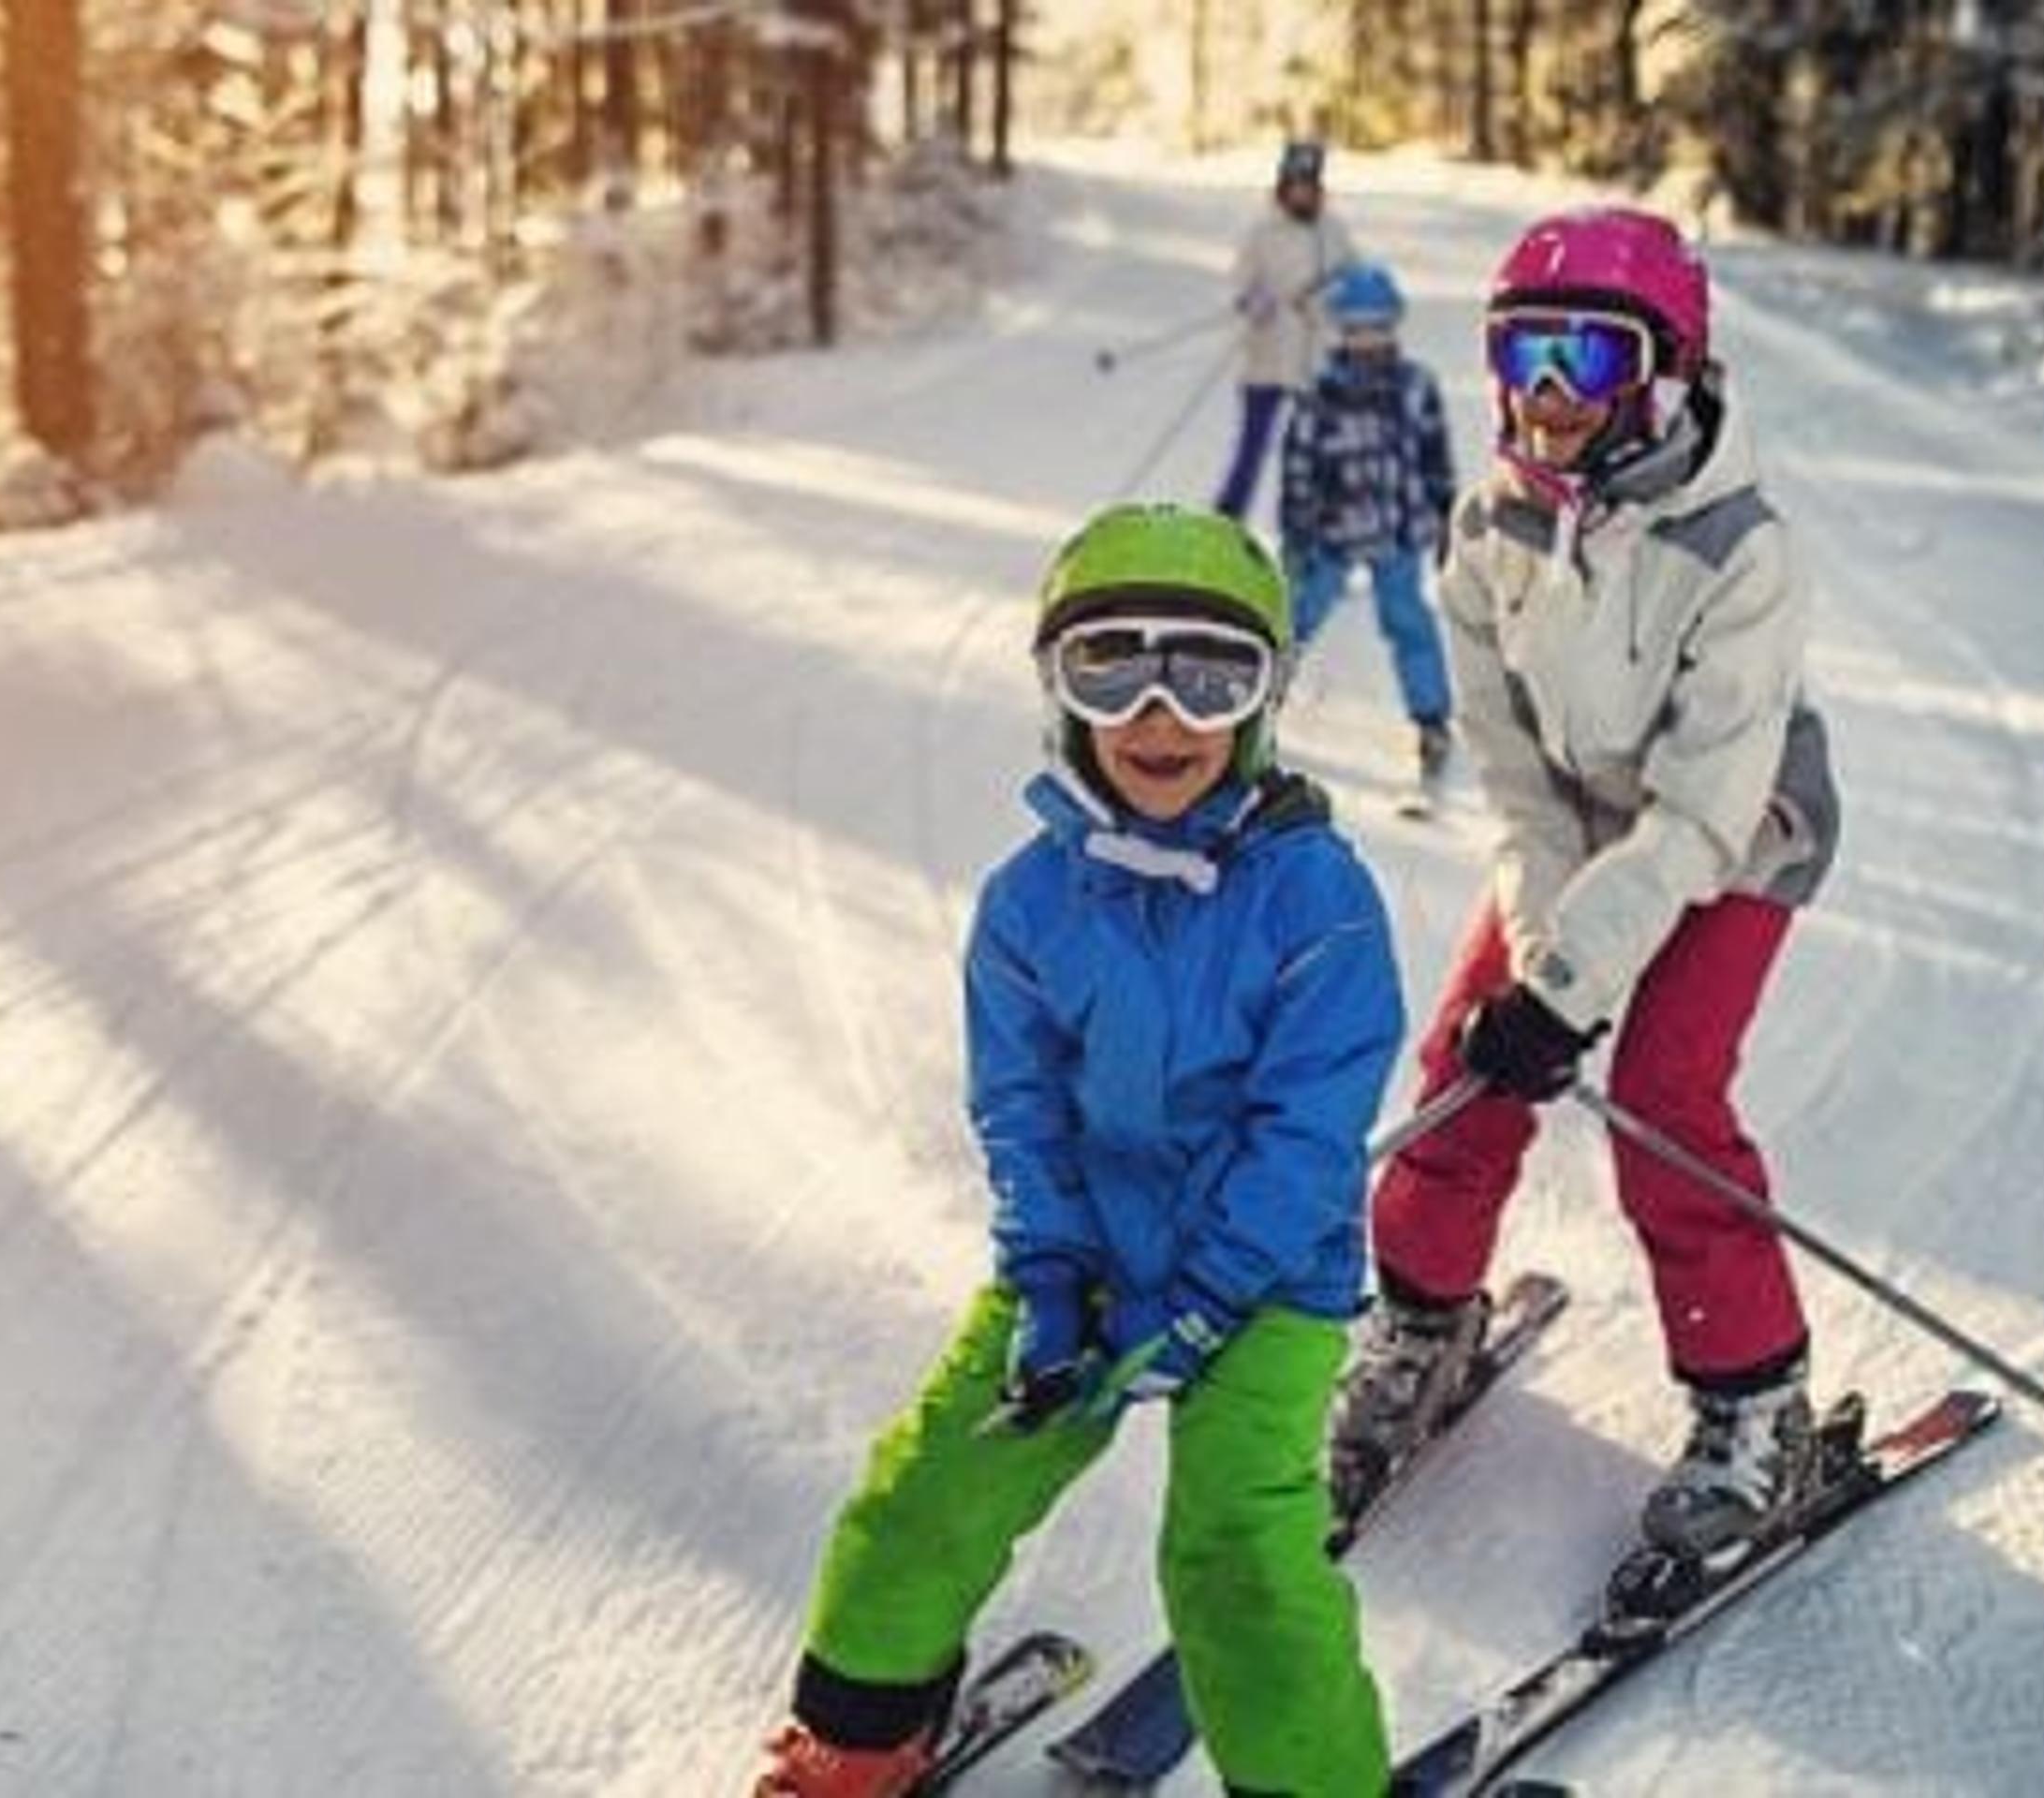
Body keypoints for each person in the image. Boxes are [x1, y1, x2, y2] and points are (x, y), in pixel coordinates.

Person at [752, 504, 1403, 1798]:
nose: (1162, 717)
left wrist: (1216, 1296)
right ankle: (860, 1737)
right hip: (1090, 1259)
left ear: (1265, 699)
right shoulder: (1027, 904)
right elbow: (1022, 1112)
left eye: (1210, 676)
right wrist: (1049, 1275)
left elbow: (1312, 1129)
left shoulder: (1316, 895)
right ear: (1060, 692)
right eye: (1113, 668)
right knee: (931, 1488)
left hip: (1266, 1282)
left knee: (1234, 1552)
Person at [1325, 207, 1844, 1569]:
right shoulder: (1486, 526)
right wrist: (1547, 975)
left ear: (1667, 370)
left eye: (1589, 360)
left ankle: (1755, 1403)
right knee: (1466, 1063)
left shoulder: (1741, 549)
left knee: (1665, 1097)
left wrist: (1573, 990)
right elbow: (1513, 782)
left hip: (1729, 835)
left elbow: (1693, 819)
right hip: (1573, 823)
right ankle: (1423, 1326)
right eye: (1524, 354)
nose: (1548, 397)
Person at [1276, 259, 1461, 796]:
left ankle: (1431, 719)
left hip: (1398, 529)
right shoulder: (1319, 394)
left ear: (1394, 326)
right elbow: (1298, 462)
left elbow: (1434, 453)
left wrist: (1446, 513)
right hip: (1331, 533)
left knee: (1408, 621)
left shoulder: (1415, 386)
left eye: (1378, 328)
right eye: (1356, 330)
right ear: (1340, 330)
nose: (1368, 341)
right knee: (1296, 615)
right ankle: (1252, 707)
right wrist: (1297, 530)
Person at [1213, 139, 1358, 523]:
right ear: (1283, 185)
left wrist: (1327, 300)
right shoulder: (1261, 231)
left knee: (1314, 448)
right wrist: (1252, 301)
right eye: (1296, 185)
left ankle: (1313, 525)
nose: (1303, 193)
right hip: (1268, 359)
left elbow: (1353, 281)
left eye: (1309, 185)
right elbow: (1239, 282)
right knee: (1252, 448)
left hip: (1315, 362)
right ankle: (1227, 519)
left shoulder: (1333, 230)